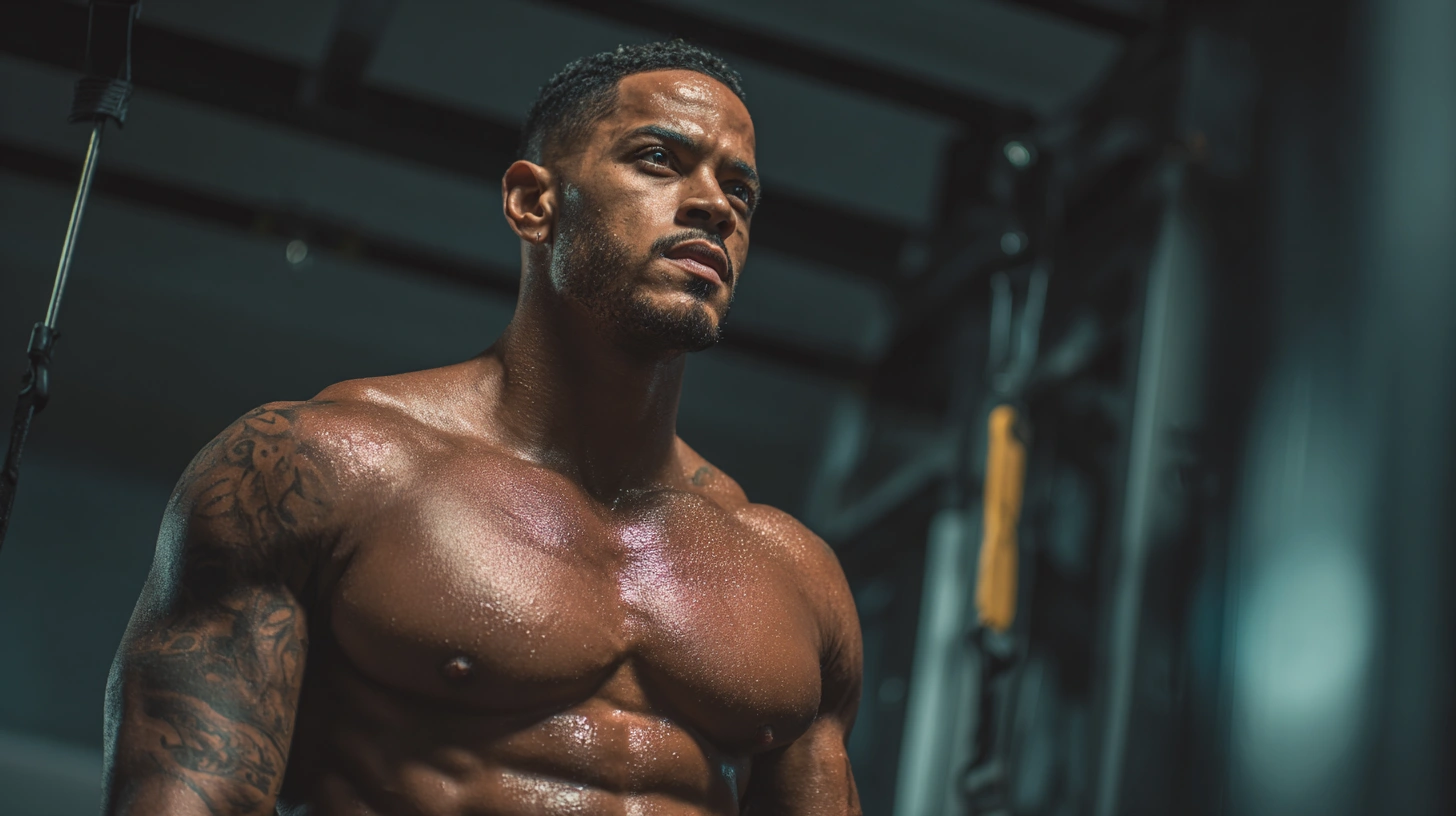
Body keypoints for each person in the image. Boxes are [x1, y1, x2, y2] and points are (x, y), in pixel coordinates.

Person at [101, 41, 863, 815]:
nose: (715, 204)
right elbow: (187, 798)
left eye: (739, 188)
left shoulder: (794, 577)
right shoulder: (319, 471)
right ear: (533, 204)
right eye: (659, 159)